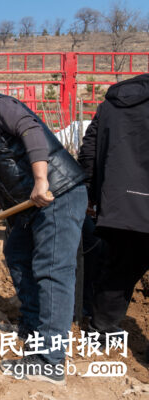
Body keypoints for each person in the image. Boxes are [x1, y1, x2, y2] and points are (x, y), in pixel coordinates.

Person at [0, 84, 87, 384]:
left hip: (56, 193)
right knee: (17, 254)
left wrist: (40, 180)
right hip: (29, 204)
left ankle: (50, 361)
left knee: (52, 271)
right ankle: (34, 328)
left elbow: (31, 129)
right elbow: (1, 177)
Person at [78, 74, 149, 341]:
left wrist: (91, 193)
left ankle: (101, 330)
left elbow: (89, 150)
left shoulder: (111, 103)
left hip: (121, 203)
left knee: (120, 268)